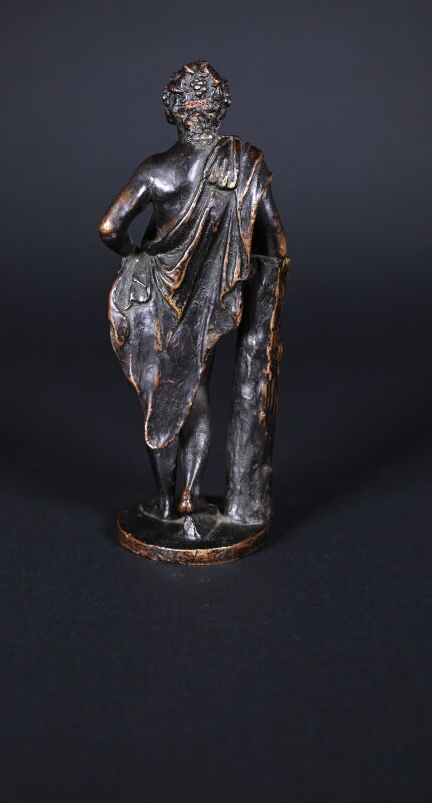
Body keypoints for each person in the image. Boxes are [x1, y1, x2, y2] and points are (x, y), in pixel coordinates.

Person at [99, 61, 288, 520]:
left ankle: (166, 502)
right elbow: (274, 238)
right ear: (220, 108)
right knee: (196, 390)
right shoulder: (242, 163)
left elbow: (110, 227)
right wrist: (266, 282)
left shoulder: (155, 170)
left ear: (173, 111)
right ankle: (190, 494)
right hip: (207, 294)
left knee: (159, 398)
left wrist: (135, 255)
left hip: (153, 293)